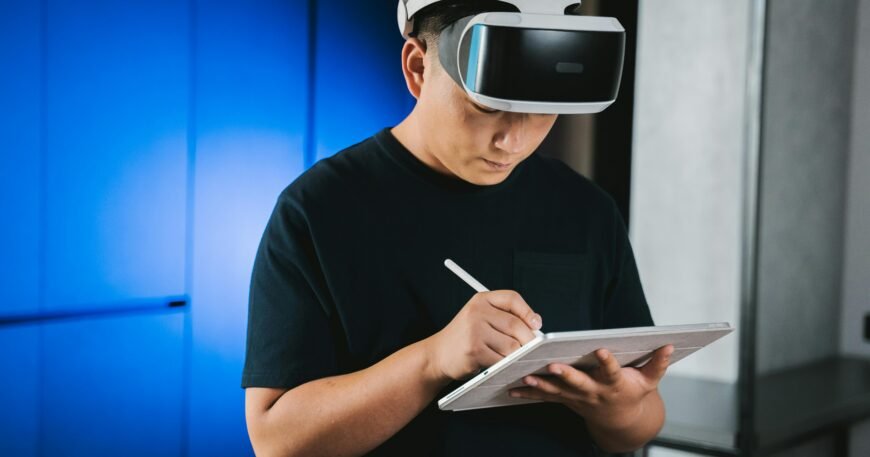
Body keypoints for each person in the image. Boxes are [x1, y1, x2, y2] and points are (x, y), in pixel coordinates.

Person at [242, 1, 673, 455]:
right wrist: (433, 361)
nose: (513, 141)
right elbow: (275, 441)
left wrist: (619, 410)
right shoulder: (318, 210)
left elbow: (643, 420)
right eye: (487, 107)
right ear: (417, 68)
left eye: (541, 110)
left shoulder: (586, 209)